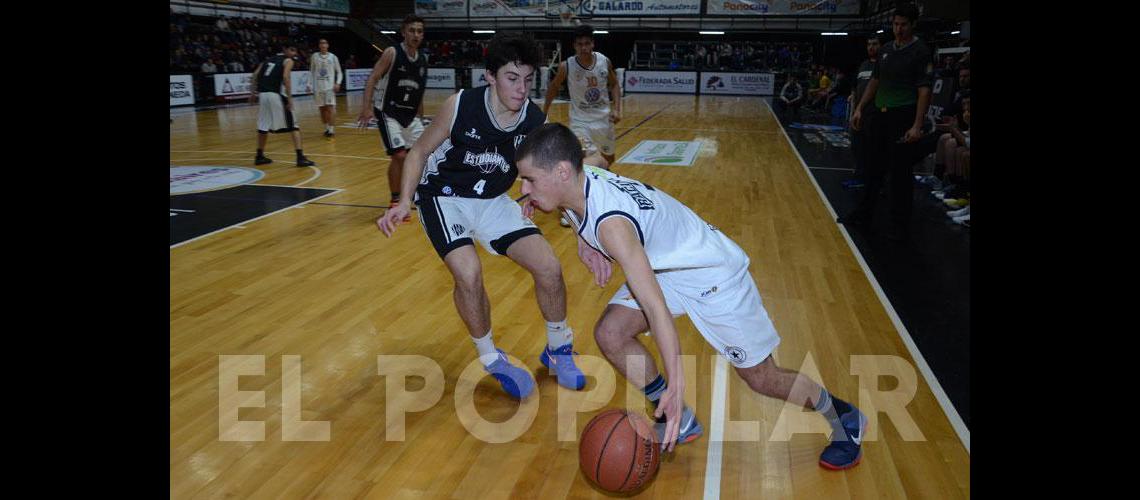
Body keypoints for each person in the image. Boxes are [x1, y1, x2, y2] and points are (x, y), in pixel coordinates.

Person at [514, 122, 868, 468]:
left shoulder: (612, 227)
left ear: (561, 172)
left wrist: (677, 384)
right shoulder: (581, 174)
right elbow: (597, 161)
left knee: (762, 377)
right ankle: (679, 420)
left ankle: (844, 418)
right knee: (611, 333)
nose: (523, 188)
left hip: (714, 275)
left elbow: (655, 309)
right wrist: (579, 235)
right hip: (667, 267)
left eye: (529, 179)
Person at [377, 32, 586, 399]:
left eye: (527, 79)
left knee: (549, 266)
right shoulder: (461, 105)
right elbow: (418, 152)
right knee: (469, 272)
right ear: (490, 76)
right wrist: (403, 200)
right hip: (443, 197)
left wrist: (533, 196)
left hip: (493, 200)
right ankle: (490, 357)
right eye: (511, 78)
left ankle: (559, 349)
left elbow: (540, 170)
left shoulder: (532, 117)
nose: (521, 89)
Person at [841, 3, 933, 242]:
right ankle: (863, 214)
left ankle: (899, 226)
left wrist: (916, 125)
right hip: (879, 115)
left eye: (903, 24)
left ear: (913, 25)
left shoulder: (920, 51)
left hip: (902, 116)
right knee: (872, 168)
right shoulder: (886, 50)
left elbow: (924, 90)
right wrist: (860, 108)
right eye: (895, 24)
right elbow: (875, 81)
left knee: (900, 174)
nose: (899, 29)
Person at [542, 24, 623, 227]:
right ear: (574, 46)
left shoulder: (604, 61)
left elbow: (614, 84)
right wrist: (543, 111)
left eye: (587, 43)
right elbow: (553, 88)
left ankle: (605, 191)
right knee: (584, 161)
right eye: (580, 44)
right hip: (580, 122)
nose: (584, 47)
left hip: (603, 120)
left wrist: (617, 109)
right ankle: (574, 209)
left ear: (592, 44)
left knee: (607, 159)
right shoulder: (566, 66)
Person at [358, 15, 429, 217]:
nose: (416, 35)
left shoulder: (423, 59)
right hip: (388, 112)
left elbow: (419, 93)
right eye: (412, 30)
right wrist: (367, 107)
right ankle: (396, 200)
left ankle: (413, 195)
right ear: (403, 32)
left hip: (411, 116)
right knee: (399, 156)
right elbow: (373, 77)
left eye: (420, 31)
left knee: (421, 157)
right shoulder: (392, 52)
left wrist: (421, 118)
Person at [250, 45, 316, 167]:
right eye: (291, 49)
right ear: (284, 50)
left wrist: (253, 92)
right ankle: (300, 157)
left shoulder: (268, 60)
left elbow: (255, 74)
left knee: (263, 126)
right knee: (294, 125)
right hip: (275, 95)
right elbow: (285, 77)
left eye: (295, 50)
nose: (294, 52)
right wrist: (290, 99)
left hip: (263, 95)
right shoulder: (288, 60)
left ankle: (259, 156)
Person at [843, 36, 882, 190]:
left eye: (875, 44)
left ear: (881, 46)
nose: (871, 47)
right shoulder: (863, 65)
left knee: (871, 148)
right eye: (869, 44)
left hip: (875, 113)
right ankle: (859, 176)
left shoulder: (883, 65)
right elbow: (854, 88)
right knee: (857, 146)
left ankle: (871, 180)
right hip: (859, 113)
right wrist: (854, 110)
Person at [310, 38, 344, 137]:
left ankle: (331, 130)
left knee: (331, 108)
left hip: (329, 88)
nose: (323, 45)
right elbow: (311, 71)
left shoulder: (333, 57)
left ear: (328, 45)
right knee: (322, 110)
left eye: (325, 43)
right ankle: (326, 128)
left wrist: (338, 83)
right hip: (318, 88)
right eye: (321, 43)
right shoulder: (314, 56)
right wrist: (309, 84)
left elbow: (340, 72)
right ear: (319, 46)